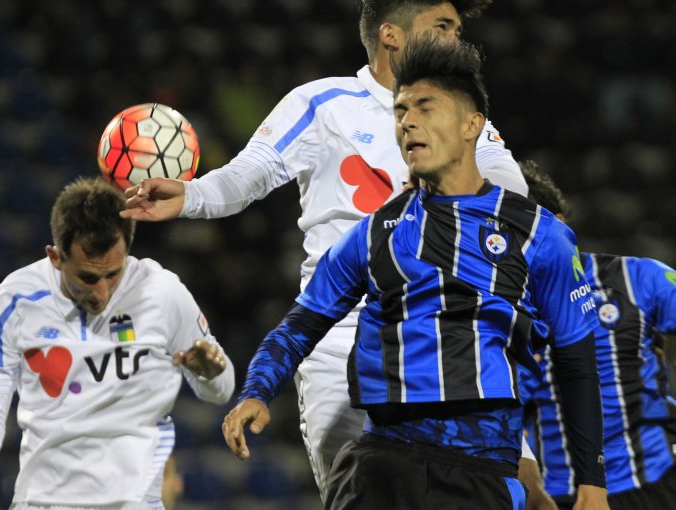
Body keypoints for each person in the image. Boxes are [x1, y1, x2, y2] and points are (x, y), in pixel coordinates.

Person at [119, 0, 539, 502]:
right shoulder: (323, 104)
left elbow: (514, 189)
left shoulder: (463, 116)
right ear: (391, 36)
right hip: (340, 341)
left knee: (516, 493)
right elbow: (250, 172)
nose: (456, 40)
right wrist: (191, 195)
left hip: (447, 343)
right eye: (442, 27)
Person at [222, 36, 608, 510]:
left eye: (425, 108)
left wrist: (592, 481)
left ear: (473, 125)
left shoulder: (537, 234)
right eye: (401, 111)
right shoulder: (376, 233)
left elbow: (577, 361)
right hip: (380, 465)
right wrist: (256, 391)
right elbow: (300, 326)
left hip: (482, 473)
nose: (408, 122)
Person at [0, 178, 235, 509]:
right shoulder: (13, 302)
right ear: (56, 257)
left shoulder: (163, 292)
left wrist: (209, 372)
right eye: (87, 277)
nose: (101, 293)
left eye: (113, 274)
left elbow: (222, 391)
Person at [518, 161, 676, 510]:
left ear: (555, 226)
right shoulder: (501, 308)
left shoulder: (638, 279)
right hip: (556, 498)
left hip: (645, 486)